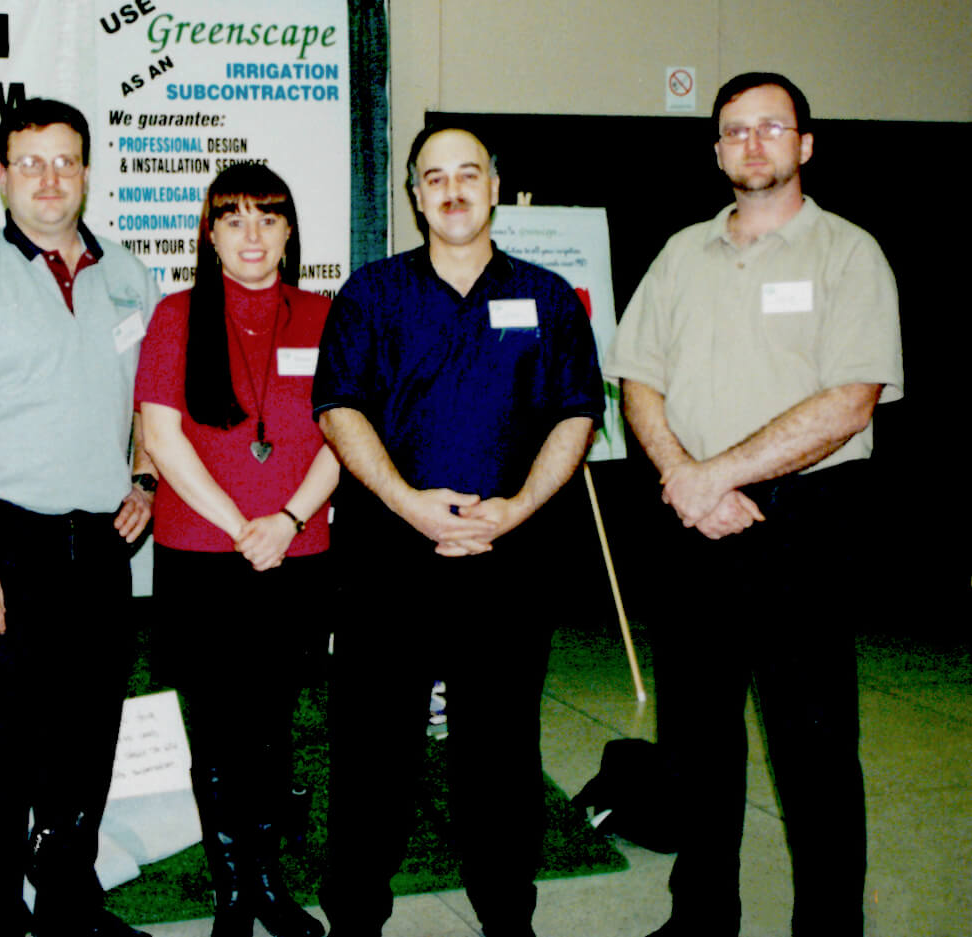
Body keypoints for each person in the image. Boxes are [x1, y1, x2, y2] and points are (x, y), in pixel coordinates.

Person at [604, 72, 903, 937]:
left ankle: (829, 924)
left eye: (771, 127)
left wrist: (719, 474)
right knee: (697, 744)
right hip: (689, 518)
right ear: (715, 151)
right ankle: (701, 917)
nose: (753, 143)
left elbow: (850, 400)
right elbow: (638, 381)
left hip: (801, 523)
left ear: (804, 145)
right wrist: (685, 477)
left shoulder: (847, 254)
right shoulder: (678, 254)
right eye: (734, 131)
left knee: (812, 749)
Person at [311, 123, 603, 937]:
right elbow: (338, 409)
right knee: (372, 755)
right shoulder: (370, 295)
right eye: (432, 177)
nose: (450, 190)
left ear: (495, 185)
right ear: (412, 197)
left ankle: (508, 917)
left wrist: (514, 510)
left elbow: (575, 414)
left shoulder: (547, 298)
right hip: (387, 561)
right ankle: (355, 919)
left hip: (507, 563)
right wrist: (406, 501)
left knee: (500, 757)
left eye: (466, 173)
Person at [0, 97, 159, 937]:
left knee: (84, 741)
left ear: (86, 170)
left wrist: (146, 479)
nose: (51, 179)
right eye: (32, 162)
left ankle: (67, 904)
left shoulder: (127, 276)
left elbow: (149, 405)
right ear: (3, 174)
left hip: (99, 550)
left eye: (66, 161)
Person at [136, 163, 336, 937]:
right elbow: (161, 435)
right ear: (209, 233)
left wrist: (283, 518)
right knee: (216, 729)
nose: (251, 235)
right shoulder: (176, 315)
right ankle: (231, 892)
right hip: (200, 556)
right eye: (232, 219)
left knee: (274, 724)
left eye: (267, 218)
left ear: (289, 230)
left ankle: (267, 880)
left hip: (298, 549)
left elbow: (345, 432)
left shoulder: (325, 316)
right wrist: (237, 524)